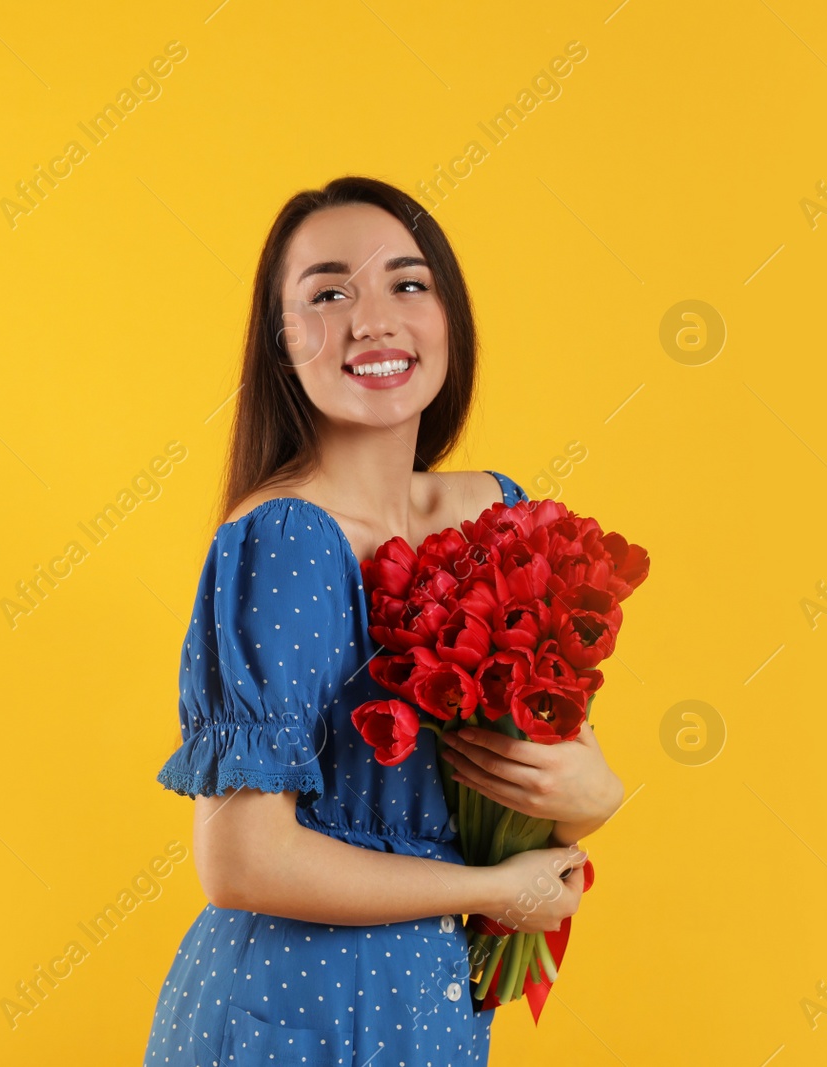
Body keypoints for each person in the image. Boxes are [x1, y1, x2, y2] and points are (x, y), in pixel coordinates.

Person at [142, 176, 624, 1066]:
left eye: (408, 284)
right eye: (329, 293)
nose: (372, 320)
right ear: (284, 343)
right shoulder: (284, 540)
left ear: (450, 317)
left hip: (430, 1011)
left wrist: (595, 802)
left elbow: (527, 775)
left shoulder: (501, 518)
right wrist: (491, 886)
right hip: (289, 1020)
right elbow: (243, 860)